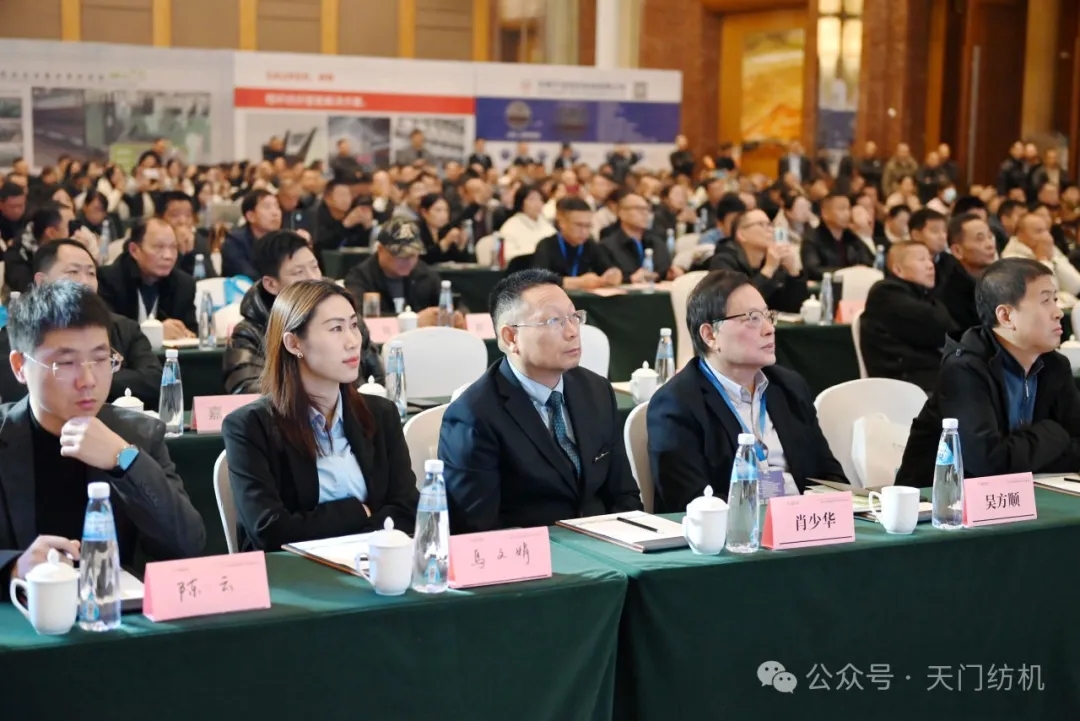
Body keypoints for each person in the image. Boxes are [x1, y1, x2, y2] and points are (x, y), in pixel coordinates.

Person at [0, 281, 204, 595]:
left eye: (100, 359)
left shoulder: (135, 434)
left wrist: (124, 461)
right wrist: (14, 566)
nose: (88, 380)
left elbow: (187, 545)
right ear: (20, 366)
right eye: (65, 363)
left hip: (112, 611)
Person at [439, 270, 642, 532]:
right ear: (511, 337)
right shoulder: (474, 415)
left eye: (574, 317)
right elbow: (477, 530)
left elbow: (624, 495)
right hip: (532, 551)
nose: (572, 332)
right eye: (554, 321)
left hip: (606, 543)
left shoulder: (596, 390)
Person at [222, 281, 418, 551]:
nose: (353, 341)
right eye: (336, 329)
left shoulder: (381, 414)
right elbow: (270, 530)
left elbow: (408, 510)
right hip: (292, 573)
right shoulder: (249, 426)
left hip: (372, 564)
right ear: (293, 343)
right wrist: (359, 512)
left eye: (353, 325)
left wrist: (330, 527)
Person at [647, 271, 845, 512]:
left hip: (803, 525)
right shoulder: (676, 403)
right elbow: (691, 502)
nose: (769, 329)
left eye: (768, 316)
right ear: (710, 335)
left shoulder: (789, 387)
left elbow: (830, 478)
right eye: (752, 318)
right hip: (735, 532)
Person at [896, 258, 1080, 486]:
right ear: (1006, 316)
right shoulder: (965, 368)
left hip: (1027, 494)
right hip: (939, 501)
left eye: (1055, 300)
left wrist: (1025, 455)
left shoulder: (1054, 365)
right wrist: (1054, 433)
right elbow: (986, 463)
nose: (1058, 312)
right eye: (1045, 301)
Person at [0, 239, 163, 406]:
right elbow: (18, 390)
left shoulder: (124, 327)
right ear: (42, 281)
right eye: (73, 272)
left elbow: (155, 380)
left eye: (91, 273)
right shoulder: (17, 333)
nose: (85, 282)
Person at [224, 230, 382, 393]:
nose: (313, 278)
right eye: (298, 272)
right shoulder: (249, 333)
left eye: (315, 267)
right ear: (271, 284)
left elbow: (378, 378)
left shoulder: (345, 318)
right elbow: (246, 392)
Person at [859, 242, 958, 392]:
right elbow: (940, 327)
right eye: (921, 260)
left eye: (930, 259)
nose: (930, 265)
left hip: (928, 376)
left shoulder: (921, 295)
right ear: (898, 270)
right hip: (902, 383)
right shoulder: (886, 293)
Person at [344, 218, 464, 325]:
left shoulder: (423, 273)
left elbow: (455, 304)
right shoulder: (360, 277)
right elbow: (357, 317)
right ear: (380, 250)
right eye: (400, 256)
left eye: (412, 255)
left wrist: (456, 315)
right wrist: (415, 320)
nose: (407, 261)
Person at [98, 218, 197, 339]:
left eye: (173, 247)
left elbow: (192, 332)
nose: (168, 256)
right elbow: (108, 331)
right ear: (134, 250)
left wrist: (186, 334)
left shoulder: (184, 285)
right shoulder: (109, 279)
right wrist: (155, 333)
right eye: (159, 247)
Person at [709, 209, 807, 313]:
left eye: (769, 224)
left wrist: (793, 272)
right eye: (761, 224)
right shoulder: (723, 261)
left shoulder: (772, 260)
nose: (770, 230)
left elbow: (793, 307)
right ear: (741, 234)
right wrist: (768, 269)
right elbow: (738, 306)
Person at [532, 197, 622, 290]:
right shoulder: (546, 245)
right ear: (562, 223)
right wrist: (578, 282)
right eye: (579, 225)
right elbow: (539, 279)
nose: (584, 231)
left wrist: (613, 274)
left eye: (588, 226)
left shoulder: (590, 245)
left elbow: (607, 269)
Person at [1002, 211, 1080, 306]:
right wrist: (1043, 259)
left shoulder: (1048, 247)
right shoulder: (1011, 258)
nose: (1046, 236)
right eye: (1039, 231)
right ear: (1020, 235)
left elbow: (1076, 286)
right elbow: (1046, 292)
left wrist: (1054, 260)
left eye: (1046, 230)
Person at [601, 192, 680, 282]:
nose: (645, 213)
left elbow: (664, 269)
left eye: (647, 209)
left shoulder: (656, 242)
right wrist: (630, 279)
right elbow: (606, 278)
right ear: (621, 213)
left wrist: (669, 274)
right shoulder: (607, 247)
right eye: (638, 209)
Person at [938, 212, 997, 329]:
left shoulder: (1002, 279)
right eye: (980, 239)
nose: (990, 245)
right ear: (957, 251)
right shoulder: (951, 297)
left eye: (990, 237)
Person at [800, 193, 874, 280]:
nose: (847, 213)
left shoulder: (851, 237)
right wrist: (849, 272)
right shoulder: (812, 239)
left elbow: (870, 262)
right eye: (842, 209)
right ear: (825, 213)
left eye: (848, 208)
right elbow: (813, 271)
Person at [221, 190, 281, 278]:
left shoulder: (284, 239)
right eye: (267, 207)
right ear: (251, 216)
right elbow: (248, 276)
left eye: (277, 207)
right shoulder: (234, 242)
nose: (275, 213)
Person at [157, 191, 217, 279]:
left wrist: (191, 252)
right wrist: (180, 253)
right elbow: (162, 280)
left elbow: (212, 278)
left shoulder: (198, 240)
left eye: (188, 215)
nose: (182, 221)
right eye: (175, 215)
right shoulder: (155, 244)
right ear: (159, 218)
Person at [497, 185, 555, 264]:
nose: (537, 204)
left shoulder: (546, 224)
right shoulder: (510, 226)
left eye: (540, 199)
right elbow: (507, 256)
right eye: (532, 199)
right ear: (521, 202)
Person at [315, 180, 374, 250]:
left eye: (348, 194)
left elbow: (363, 246)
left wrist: (367, 227)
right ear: (328, 198)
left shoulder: (354, 213)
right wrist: (346, 224)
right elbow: (324, 246)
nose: (346, 199)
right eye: (341, 195)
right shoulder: (317, 217)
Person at [417, 193, 471, 264]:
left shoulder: (449, 230)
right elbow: (423, 258)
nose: (443, 215)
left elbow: (460, 262)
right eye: (438, 210)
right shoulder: (417, 231)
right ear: (424, 212)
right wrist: (445, 242)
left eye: (446, 210)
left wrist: (461, 245)